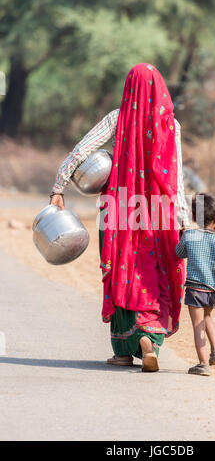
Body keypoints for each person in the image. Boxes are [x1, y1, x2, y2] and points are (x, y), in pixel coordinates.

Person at [50, 63, 190, 372]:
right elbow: (176, 177)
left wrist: (59, 187)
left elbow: (80, 152)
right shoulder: (172, 125)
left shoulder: (118, 118)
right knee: (155, 270)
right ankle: (150, 336)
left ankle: (123, 350)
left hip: (119, 211)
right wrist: (183, 220)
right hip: (158, 213)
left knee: (122, 271)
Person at [175, 193, 215, 376]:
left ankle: (203, 363)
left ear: (195, 217)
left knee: (198, 324)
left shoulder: (190, 235)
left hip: (195, 288)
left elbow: (179, 253)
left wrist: (183, 234)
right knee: (208, 317)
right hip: (214, 290)